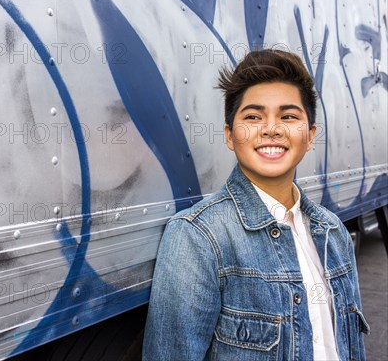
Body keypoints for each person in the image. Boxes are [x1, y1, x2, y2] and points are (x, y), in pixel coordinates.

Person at [143, 49, 369, 360]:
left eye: (288, 116)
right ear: (230, 135)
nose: (271, 129)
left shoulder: (333, 232)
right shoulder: (198, 238)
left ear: (310, 135)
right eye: (253, 116)